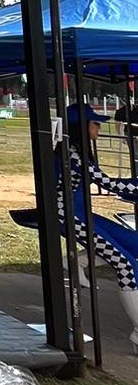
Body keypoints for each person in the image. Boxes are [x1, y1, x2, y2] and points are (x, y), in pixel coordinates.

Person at [57, 102, 138, 354]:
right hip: (70, 214)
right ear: (79, 127)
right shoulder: (73, 154)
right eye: (94, 123)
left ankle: (79, 262)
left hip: (80, 212)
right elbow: (107, 183)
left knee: (131, 244)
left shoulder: (75, 152)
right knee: (125, 265)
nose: (99, 127)